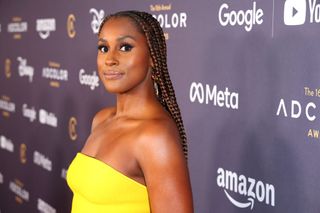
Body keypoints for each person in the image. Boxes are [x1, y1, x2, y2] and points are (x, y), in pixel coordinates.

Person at [67, 10, 193, 213]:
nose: (110, 59)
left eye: (125, 47)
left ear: (152, 57)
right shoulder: (101, 119)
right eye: (103, 48)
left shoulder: (155, 136)